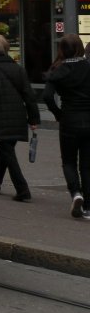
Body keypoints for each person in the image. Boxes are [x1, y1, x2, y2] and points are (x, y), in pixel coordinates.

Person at [0, 34, 39, 201]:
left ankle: (22, 189)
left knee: (7, 152)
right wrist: (33, 119)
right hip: (18, 117)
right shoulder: (18, 69)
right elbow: (29, 95)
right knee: (6, 149)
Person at [42, 33, 90, 219]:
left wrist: (57, 113)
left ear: (61, 49)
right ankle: (87, 207)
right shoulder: (87, 67)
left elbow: (46, 96)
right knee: (87, 165)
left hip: (69, 119)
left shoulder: (58, 70)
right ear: (80, 47)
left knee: (69, 161)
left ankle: (75, 193)